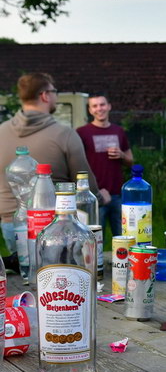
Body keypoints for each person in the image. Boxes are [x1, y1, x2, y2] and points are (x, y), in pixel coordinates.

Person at [0, 73, 102, 255]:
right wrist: (101, 197)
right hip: (54, 227)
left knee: (23, 272)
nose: (56, 97)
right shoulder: (65, 134)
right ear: (45, 95)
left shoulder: (1, 132)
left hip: (12, 224)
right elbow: (84, 183)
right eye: (54, 92)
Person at [77, 94, 133, 236]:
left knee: (122, 238)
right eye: (95, 106)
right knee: (95, 238)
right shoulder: (82, 132)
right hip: (94, 195)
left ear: (109, 106)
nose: (99, 109)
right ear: (90, 110)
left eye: (102, 104)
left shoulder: (118, 131)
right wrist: (93, 190)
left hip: (117, 194)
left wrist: (122, 155)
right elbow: (77, 163)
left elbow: (131, 161)